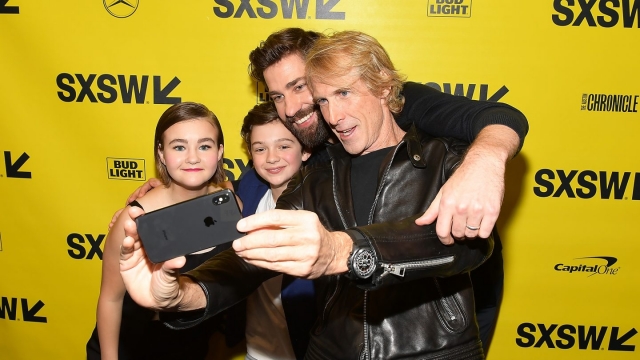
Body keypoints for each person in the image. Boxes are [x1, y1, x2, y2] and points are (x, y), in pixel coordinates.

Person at [118, 28, 527, 353]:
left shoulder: (438, 148)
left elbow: (465, 244)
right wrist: (181, 296)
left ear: (382, 88)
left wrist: (486, 159)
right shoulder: (310, 173)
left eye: (311, 89)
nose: (303, 108)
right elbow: (250, 256)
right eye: (278, 96)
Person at [86, 102, 230, 360]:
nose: (193, 157)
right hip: (133, 347)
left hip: (191, 346)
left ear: (219, 152)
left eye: (205, 146)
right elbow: (110, 299)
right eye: (179, 146)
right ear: (161, 154)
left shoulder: (230, 205)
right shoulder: (134, 219)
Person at [234, 102, 311, 360]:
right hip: (256, 352)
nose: (271, 157)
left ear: (306, 150)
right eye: (260, 149)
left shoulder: (326, 208)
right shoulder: (249, 191)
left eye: (284, 146)